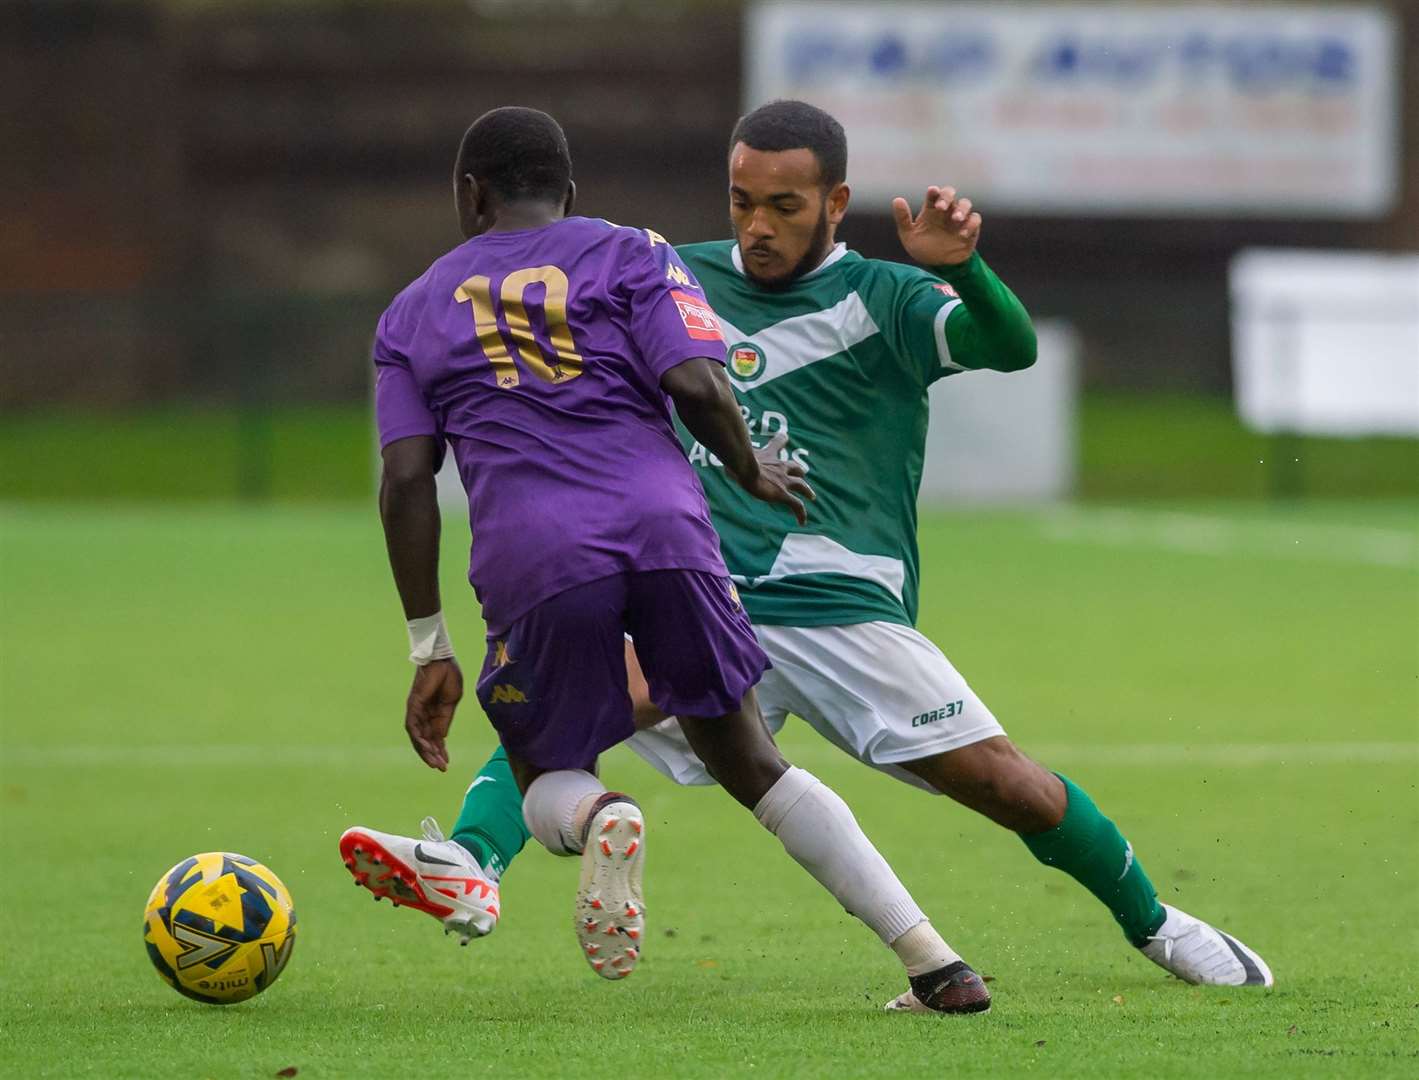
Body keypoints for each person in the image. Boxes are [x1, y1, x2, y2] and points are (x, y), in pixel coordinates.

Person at [444, 101, 1274, 1005]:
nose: (757, 226)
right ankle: (464, 864)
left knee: (1010, 787)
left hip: (842, 607)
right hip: (706, 596)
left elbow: (1009, 345)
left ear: (835, 201)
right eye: (741, 201)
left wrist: (968, 273)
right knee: (567, 706)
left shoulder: (887, 298)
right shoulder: (671, 278)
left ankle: (1159, 925)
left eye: (784, 206)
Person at [339, 106, 993, 1013]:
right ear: (567, 193)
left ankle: (598, 819)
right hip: (670, 535)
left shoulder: (411, 312)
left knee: (545, 772)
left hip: (537, 557)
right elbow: (693, 379)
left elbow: (406, 482)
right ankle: (934, 963)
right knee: (751, 759)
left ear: (469, 194)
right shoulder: (631, 249)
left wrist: (428, 645)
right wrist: (748, 468)